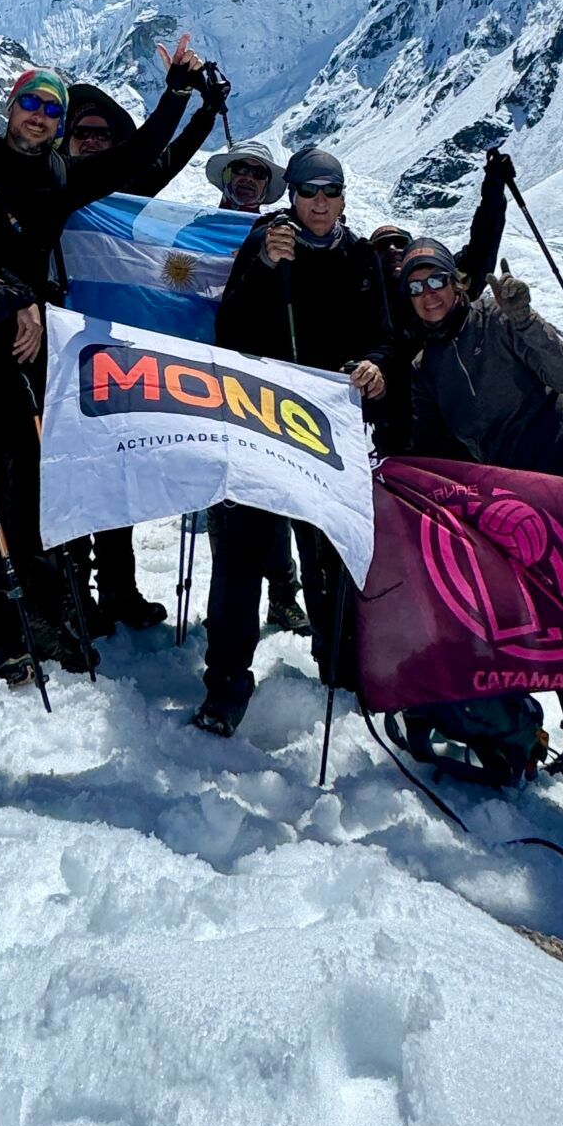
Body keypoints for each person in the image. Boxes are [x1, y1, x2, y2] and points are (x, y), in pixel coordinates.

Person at [0, 39, 212, 684]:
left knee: (30, 491)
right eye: (31, 102)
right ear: (9, 106)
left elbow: (135, 160)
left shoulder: (55, 175)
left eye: (51, 110)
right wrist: (8, 291)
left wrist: (176, 95)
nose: (40, 116)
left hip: (27, 352)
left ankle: (43, 615)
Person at [400, 235, 563, 855]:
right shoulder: (423, 368)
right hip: (506, 514)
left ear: (457, 283)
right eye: (414, 287)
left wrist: (525, 319)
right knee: (557, 638)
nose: (427, 295)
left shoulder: (499, 321)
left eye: (435, 280)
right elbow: (433, 447)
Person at [191, 145, 390, 737]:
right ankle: (226, 682)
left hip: (328, 429)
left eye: (330, 192)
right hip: (257, 421)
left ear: (344, 198)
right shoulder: (264, 240)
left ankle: (340, 665)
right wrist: (260, 269)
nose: (320, 203)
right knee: (240, 555)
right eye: (309, 192)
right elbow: (228, 330)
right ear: (293, 196)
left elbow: (382, 336)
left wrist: (376, 366)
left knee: (328, 550)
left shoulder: (360, 258)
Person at [63, 65, 228, 634]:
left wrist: (204, 112)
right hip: (55, 352)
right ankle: (73, 594)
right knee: (68, 473)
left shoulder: (120, 197)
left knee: (111, 473)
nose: (92, 141)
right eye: (82, 132)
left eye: (103, 135)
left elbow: (165, 160)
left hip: (109, 353)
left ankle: (119, 587)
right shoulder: (49, 187)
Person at [200, 138, 310, 635]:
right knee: (221, 490)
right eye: (240, 170)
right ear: (227, 177)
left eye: (258, 174)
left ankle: (283, 594)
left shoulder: (284, 235)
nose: (247, 178)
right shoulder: (196, 233)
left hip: (268, 373)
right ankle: (231, 592)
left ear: (268, 187)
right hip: (207, 373)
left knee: (275, 488)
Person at [368, 149, 515, 455]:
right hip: (396, 437)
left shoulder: (441, 285)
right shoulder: (364, 303)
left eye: (401, 244)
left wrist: (493, 192)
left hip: (458, 433)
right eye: (383, 247)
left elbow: (480, 250)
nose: (394, 250)